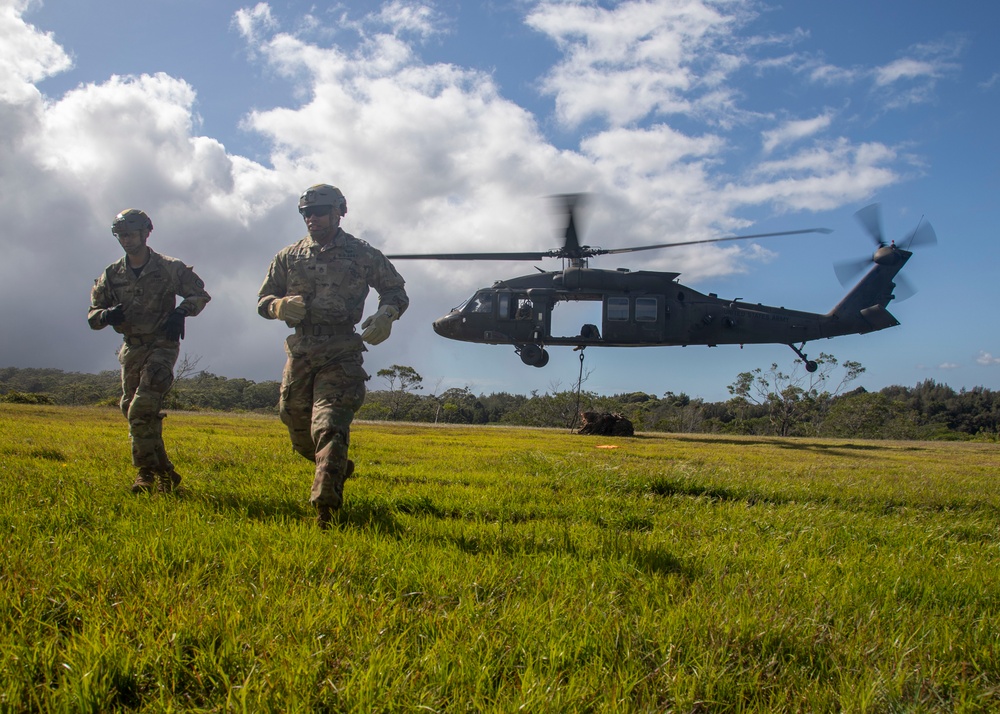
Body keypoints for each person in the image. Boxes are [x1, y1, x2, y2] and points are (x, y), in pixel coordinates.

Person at [258, 184, 408, 528]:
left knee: (329, 426)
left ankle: (326, 512)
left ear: (340, 210)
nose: (313, 218)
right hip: (300, 352)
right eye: (306, 212)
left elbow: (395, 290)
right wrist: (278, 306)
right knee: (295, 423)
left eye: (321, 211)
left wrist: (387, 315)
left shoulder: (361, 254)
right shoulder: (289, 256)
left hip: (341, 352)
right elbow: (263, 300)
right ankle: (336, 464)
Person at [88, 209, 211, 493]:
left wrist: (182, 311)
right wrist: (107, 316)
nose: (126, 240)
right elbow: (93, 315)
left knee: (141, 407)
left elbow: (199, 294)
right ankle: (166, 472)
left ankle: (144, 474)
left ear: (146, 233)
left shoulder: (169, 267)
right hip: (131, 347)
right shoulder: (112, 273)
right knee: (132, 410)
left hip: (162, 345)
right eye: (121, 235)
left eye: (131, 234)